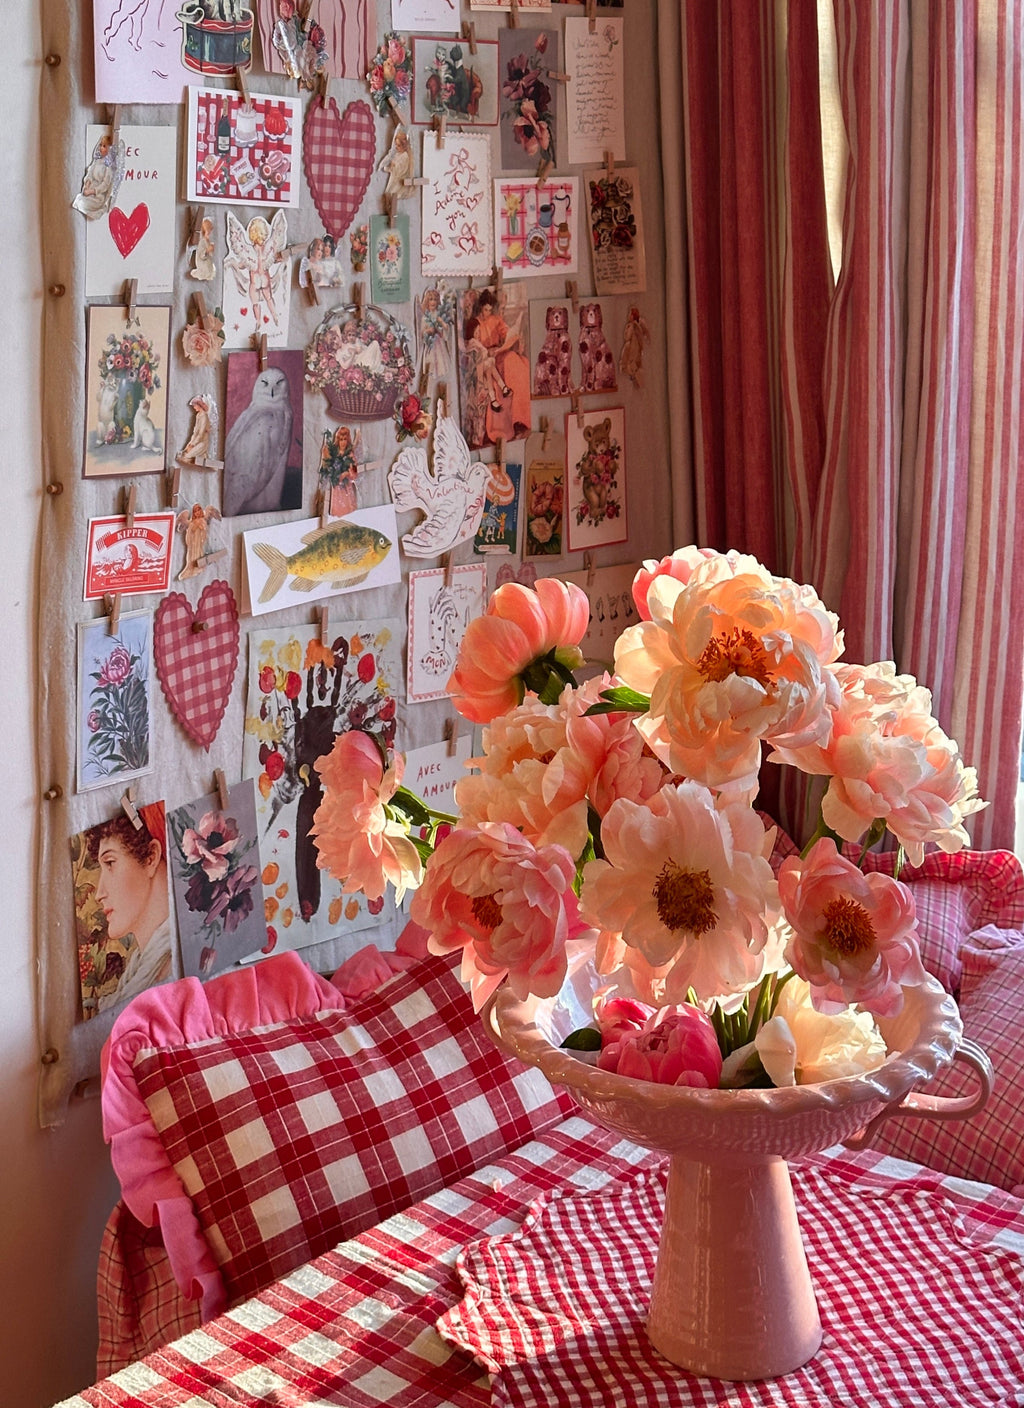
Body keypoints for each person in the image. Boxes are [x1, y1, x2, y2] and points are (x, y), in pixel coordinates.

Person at [89, 806, 174, 1013]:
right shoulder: (139, 971)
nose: (99, 893)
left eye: (110, 863)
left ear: (151, 858)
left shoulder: (170, 964)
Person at [463, 289, 530, 443]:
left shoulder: (496, 319)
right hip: (486, 356)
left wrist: (510, 338)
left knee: (521, 362)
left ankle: (521, 418)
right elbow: (474, 345)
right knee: (509, 363)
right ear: (480, 308)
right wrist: (488, 351)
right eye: (486, 309)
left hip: (499, 352)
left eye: (490, 310)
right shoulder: (475, 324)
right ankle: (513, 419)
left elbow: (505, 333)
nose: (488, 313)